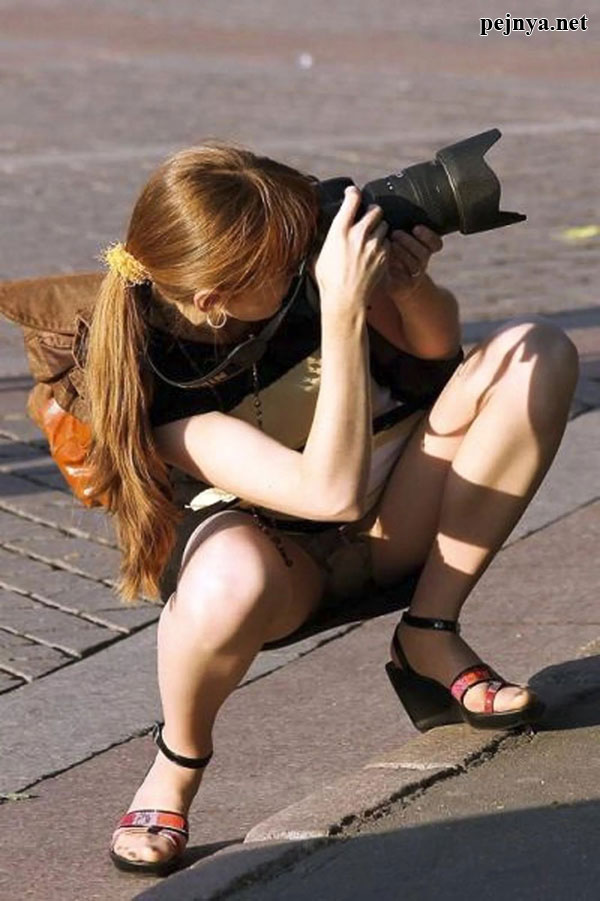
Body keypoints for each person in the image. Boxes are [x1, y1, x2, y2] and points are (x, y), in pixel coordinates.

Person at [93, 143, 579, 875]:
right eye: (285, 261)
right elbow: (331, 495)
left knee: (533, 348)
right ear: (214, 300)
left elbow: (435, 347)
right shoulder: (157, 379)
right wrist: (344, 310)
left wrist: (407, 286)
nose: (303, 263)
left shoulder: (296, 276)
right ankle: (177, 761)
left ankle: (429, 633)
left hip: (394, 518)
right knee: (229, 574)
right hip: (283, 567)